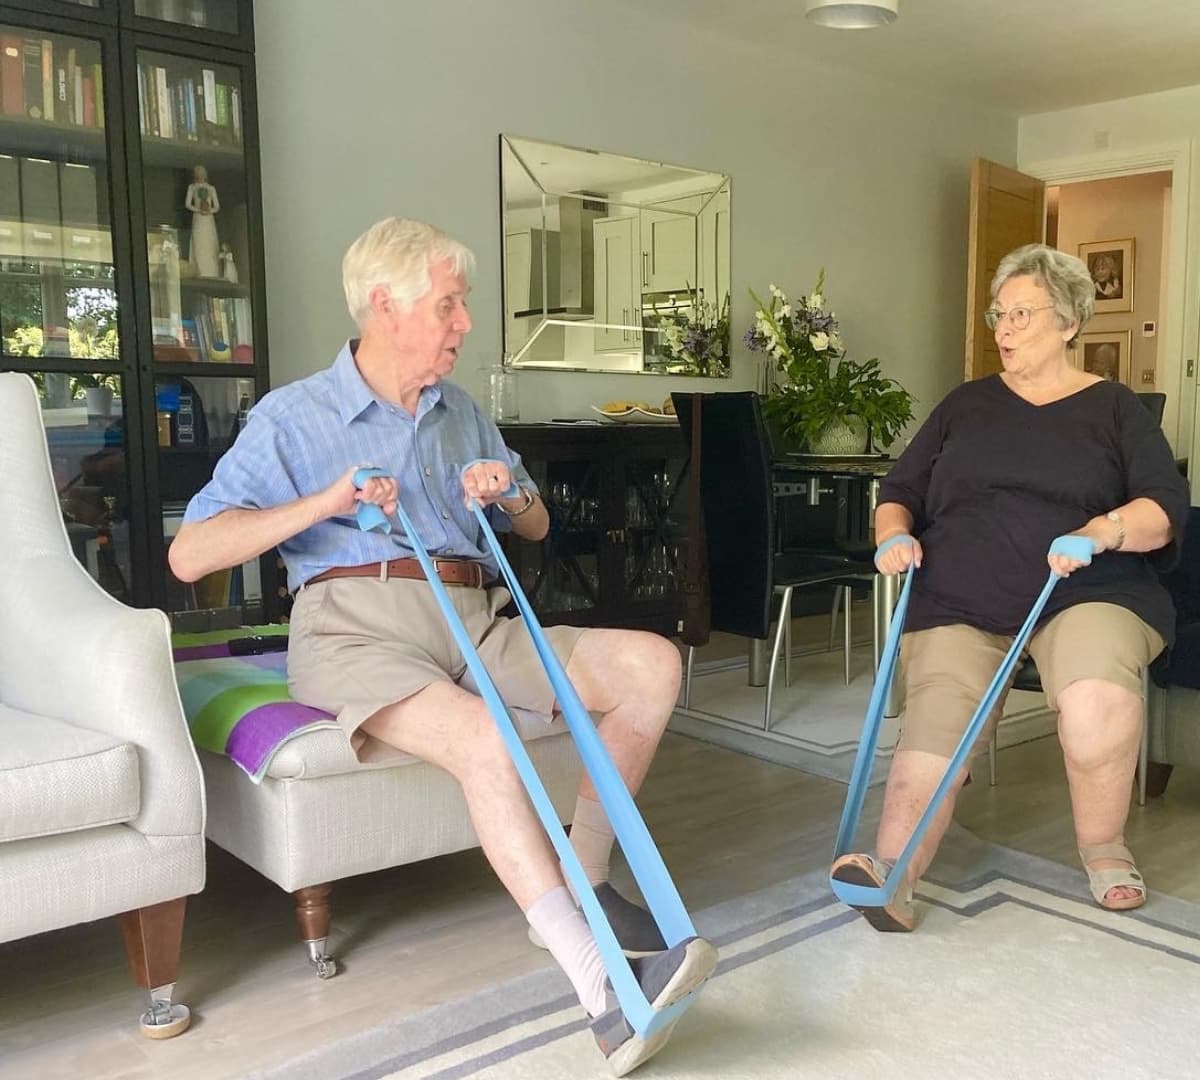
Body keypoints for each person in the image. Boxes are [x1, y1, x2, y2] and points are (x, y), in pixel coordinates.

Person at [168, 218, 716, 1074]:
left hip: (477, 618)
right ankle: (599, 983)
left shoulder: (463, 413)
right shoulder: (295, 415)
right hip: (353, 625)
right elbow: (190, 551)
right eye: (450, 304)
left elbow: (536, 523)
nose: (465, 322)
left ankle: (588, 877)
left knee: (653, 663)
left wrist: (505, 493)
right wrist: (323, 503)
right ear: (386, 307)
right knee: (487, 738)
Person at [830, 243, 1188, 932]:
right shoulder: (966, 405)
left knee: (1094, 699)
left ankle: (1104, 847)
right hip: (961, 595)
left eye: (1022, 313)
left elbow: (1162, 510)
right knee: (937, 723)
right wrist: (892, 536)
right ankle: (893, 873)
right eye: (1000, 313)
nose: (1004, 327)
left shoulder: (1114, 408)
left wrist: (1101, 530)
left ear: (1070, 321)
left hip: (1087, 589)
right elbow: (898, 490)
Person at [185, 165, 220, 277]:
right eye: (197, 174)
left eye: (201, 174)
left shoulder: (211, 188)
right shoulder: (192, 187)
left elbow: (217, 206)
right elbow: (188, 204)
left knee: (209, 242)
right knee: (198, 242)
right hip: (198, 219)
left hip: (208, 219)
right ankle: (199, 270)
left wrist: (209, 210)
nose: (199, 176)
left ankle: (212, 272)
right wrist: (198, 209)